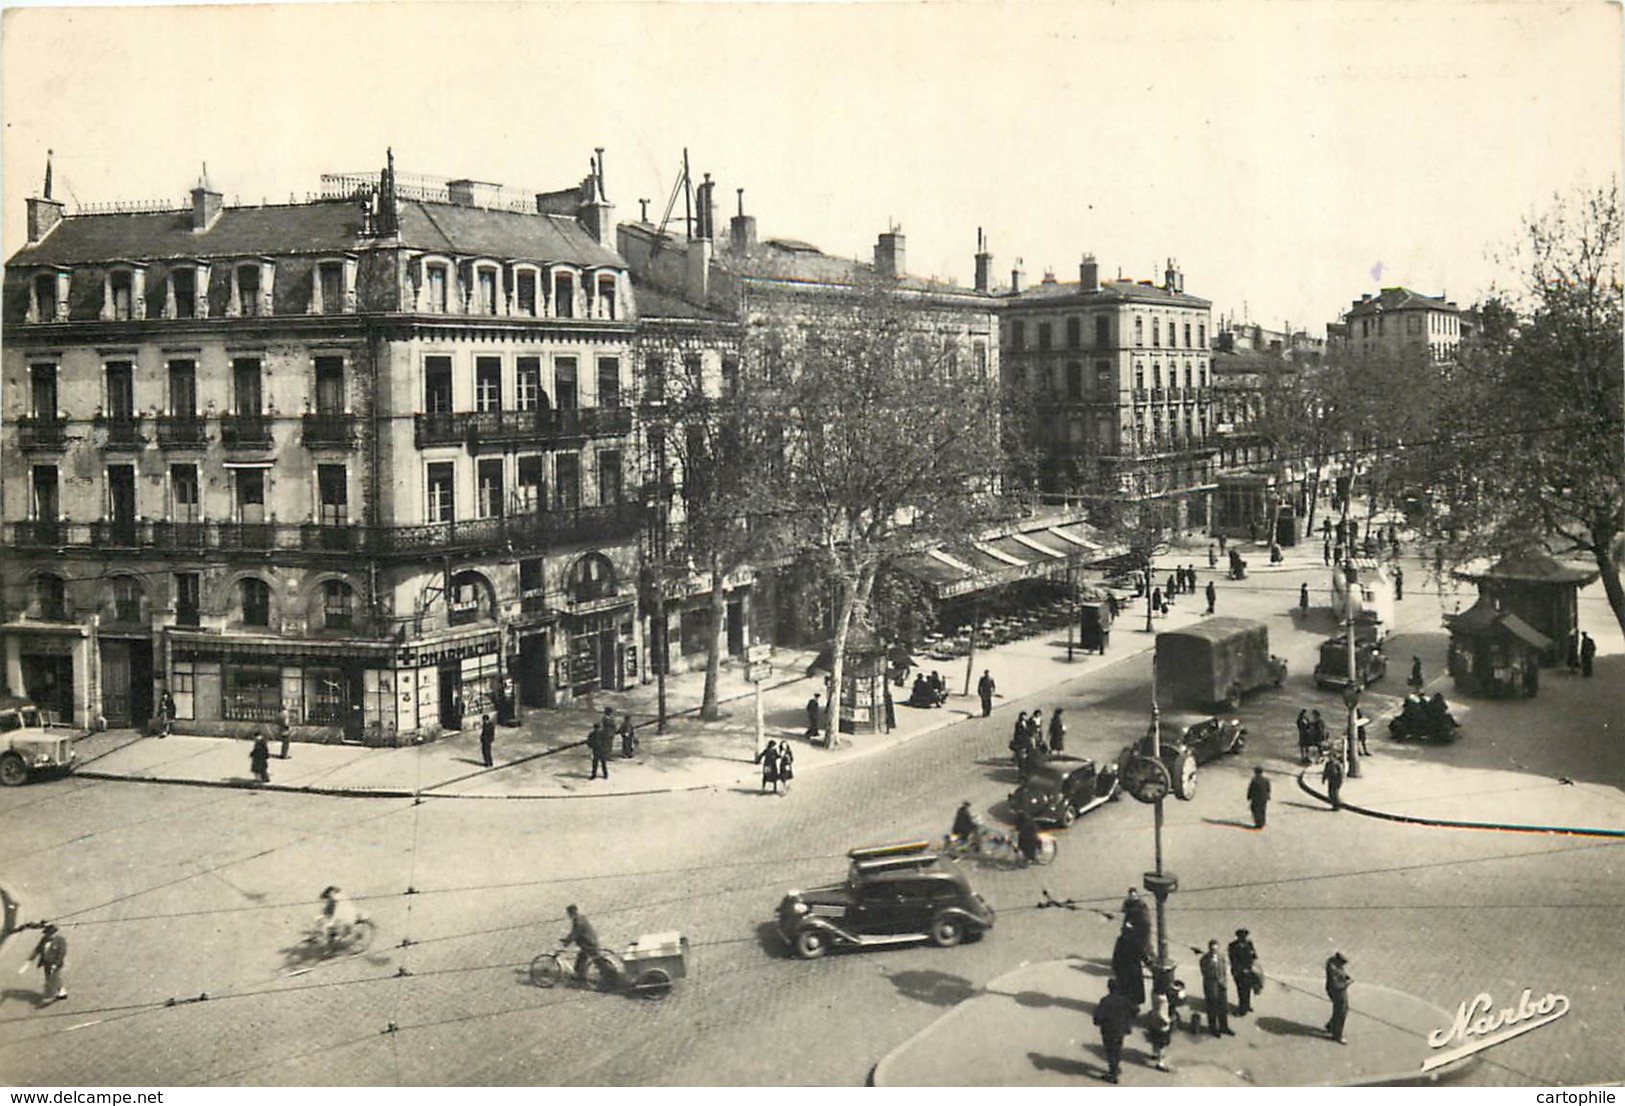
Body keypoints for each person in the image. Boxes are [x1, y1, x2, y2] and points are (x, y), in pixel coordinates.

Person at [1093, 978, 1139, 1084]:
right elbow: (1135, 1010)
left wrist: (1098, 1022)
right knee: (1117, 1049)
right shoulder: (1125, 1000)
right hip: (1121, 1029)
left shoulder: (1105, 1000)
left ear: (1109, 988)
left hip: (1108, 1030)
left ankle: (1112, 1074)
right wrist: (1128, 1019)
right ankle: (1116, 1068)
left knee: (1110, 1051)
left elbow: (1098, 1015)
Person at [25, 921, 68, 1005]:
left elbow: (61, 953)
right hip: (46, 963)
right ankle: (62, 991)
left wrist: (55, 964)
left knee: (52, 978)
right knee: (53, 978)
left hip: (55, 963)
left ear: (54, 933)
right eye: (47, 933)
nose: (49, 935)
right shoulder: (44, 940)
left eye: (50, 933)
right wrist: (30, 959)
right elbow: (37, 949)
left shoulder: (60, 940)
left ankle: (49, 995)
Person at [560, 904, 602, 984]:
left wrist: (567, 941)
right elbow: (574, 932)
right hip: (589, 941)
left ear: (572, 913)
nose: (568, 915)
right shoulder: (580, 918)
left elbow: (575, 933)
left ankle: (607, 975)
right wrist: (567, 939)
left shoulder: (578, 921)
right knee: (581, 958)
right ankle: (579, 976)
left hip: (588, 943)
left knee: (597, 961)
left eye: (569, 913)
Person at [1199, 939, 1232, 1036]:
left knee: (1223, 1007)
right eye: (1212, 949)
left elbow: (1225, 970)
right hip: (1211, 986)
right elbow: (1205, 973)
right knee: (1212, 1008)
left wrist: (1224, 982)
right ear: (1209, 949)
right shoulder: (1204, 959)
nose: (1214, 951)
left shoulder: (1221, 957)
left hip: (1221, 985)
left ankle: (1224, 1027)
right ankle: (1213, 1029)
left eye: (1216, 949)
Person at [1111, 925, 1148, 1006]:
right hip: (1130, 969)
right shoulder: (1133, 941)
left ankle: (1129, 1004)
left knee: (1128, 988)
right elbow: (1143, 954)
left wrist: (1115, 966)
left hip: (1129, 969)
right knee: (1132, 988)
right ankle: (1131, 1004)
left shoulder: (1124, 940)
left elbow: (1116, 954)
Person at [316, 886, 359, 953]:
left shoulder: (338, 899)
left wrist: (330, 922)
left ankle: (336, 945)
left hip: (347, 917)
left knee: (334, 929)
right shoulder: (333, 899)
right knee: (330, 928)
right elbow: (327, 909)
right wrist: (321, 917)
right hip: (342, 916)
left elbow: (338, 913)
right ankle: (332, 944)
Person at [1228, 929, 1260, 1015]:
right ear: (1238, 937)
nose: (1243, 939)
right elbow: (1233, 960)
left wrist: (1253, 966)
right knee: (1241, 991)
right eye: (1241, 937)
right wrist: (1242, 969)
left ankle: (1247, 1005)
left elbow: (1254, 956)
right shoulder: (1233, 946)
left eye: (1244, 937)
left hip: (1249, 971)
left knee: (1248, 989)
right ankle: (1242, 1009)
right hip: (1239, 973)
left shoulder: (1249, 944)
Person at [1325, 951, 1352, 1043]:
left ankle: (1331, 1025)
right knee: (1341, 1012)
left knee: (1342, 1009)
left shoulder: (1334, 963)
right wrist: (1346, 983)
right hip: (1338, 992)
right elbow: (1336, 985)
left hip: (1339, 991)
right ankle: (1337, 1035)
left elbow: (1341, 972)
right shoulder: (1332, 969)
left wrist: (1346, 977)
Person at [588, 711, 612, 780]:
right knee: (599, 763)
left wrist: (592, 746)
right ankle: (603, 775)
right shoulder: (602, 733)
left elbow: (589, 742)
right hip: (599, 750)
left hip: (598, 750)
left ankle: (599, 774)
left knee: (599, 763)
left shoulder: (593, 734)